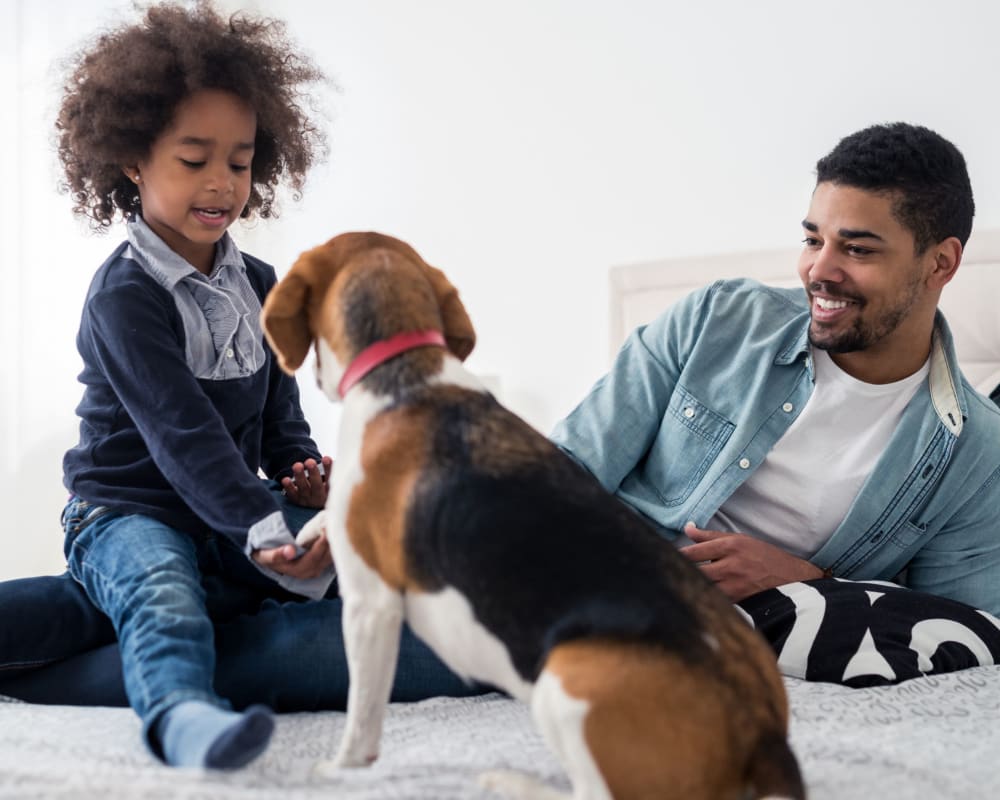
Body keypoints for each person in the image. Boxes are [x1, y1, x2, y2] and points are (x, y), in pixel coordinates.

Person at [0, 1, 480, 770]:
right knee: (159, 590)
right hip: (128, 513)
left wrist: (304, 478)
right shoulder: (123, 295)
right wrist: (264, 525)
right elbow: (184, 436)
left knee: (106, 610)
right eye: (195, 160)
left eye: (241, 159)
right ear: (132, 159)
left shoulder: (257, 282)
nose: (222, 183)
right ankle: (183, 718)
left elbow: (277, 411)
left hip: (220, 521)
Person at [551, 122, 1000, 617]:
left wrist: (811, 583)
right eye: (813, 240)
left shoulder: (976, 452)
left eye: (858, 249)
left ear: (940, 263)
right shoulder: (717, 319)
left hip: (733, 641)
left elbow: (963, 625)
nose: (818, 271)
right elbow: (568, 467)